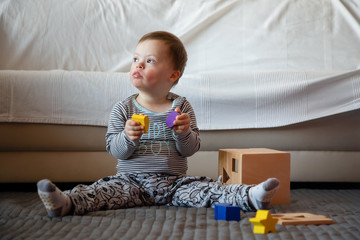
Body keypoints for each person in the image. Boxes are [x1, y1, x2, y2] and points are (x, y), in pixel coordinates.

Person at [37, 31, 280, 217]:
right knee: (101, 192)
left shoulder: (181, 107)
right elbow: (114, 149)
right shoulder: (124, 109)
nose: (138, 65)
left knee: (207, 190)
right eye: (135, 59)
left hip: (174, 183)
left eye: (150, 60)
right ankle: (65, 202)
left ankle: (250, 196)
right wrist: (128, 137)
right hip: (130, 182)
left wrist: (183, 132)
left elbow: (190, 150)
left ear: (172, 75)